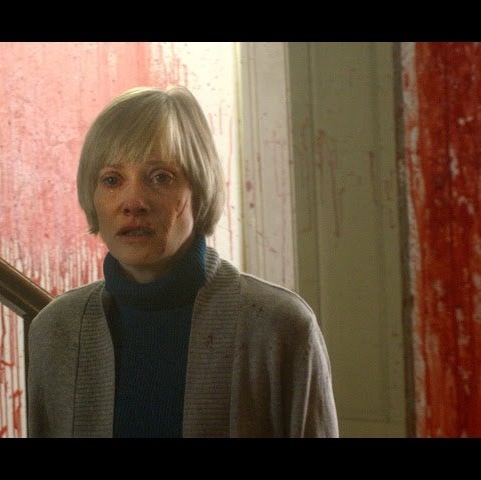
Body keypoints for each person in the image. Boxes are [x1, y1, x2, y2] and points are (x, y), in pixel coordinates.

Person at [27, 85, 339, 438]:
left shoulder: (279, 327)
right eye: (112, 180)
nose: (133, 202)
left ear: (199, 192)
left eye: (161, 177)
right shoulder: (55, 330)